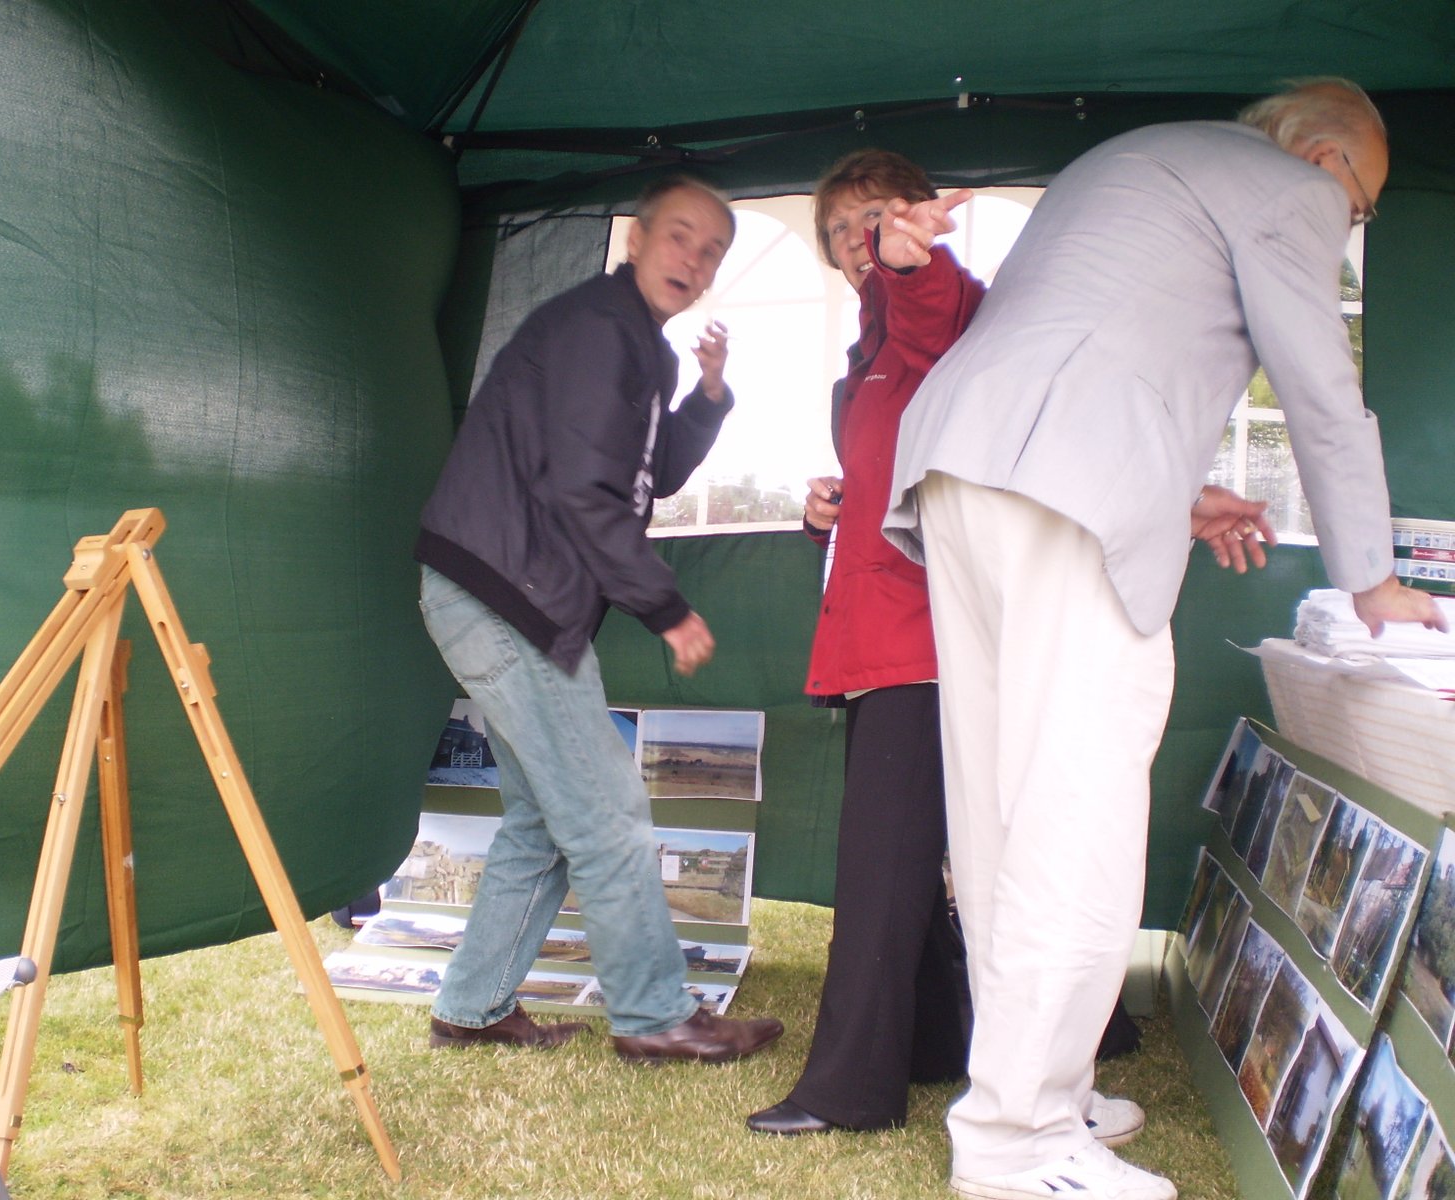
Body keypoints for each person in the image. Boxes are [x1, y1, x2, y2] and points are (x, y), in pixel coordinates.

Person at [882, 80, 1446, 1200]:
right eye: (1364, 206)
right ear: (1326, 157)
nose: (1350, 225)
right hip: (1062, 481)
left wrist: (1176, 491)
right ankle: (1019, 1142)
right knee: (1076, 809)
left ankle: (1039, 1088)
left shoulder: (1139, 156)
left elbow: (1092, 333)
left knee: (1002, 806)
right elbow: (1321, 389)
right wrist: (1372, 578)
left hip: (964, 463)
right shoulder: (1291, 190)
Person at [746, 151, 1142, 1144]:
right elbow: (897, 469)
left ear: (918, 219)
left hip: (931, 640)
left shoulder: (941, 305)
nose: (856, 244)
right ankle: (931, 1044)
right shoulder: (865, 352)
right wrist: (822, 510)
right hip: (883, 634)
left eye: (873, 220)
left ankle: (849, 1089)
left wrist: (908, 262)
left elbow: (931, 312)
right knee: (915, 866)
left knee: (881, 869)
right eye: (840, 231)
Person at [413, 175, 785, 1064]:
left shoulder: (638, 350)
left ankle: (470, 1007)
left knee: (545, 819)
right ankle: (656, 1016)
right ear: (636, 239)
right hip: (509, 596)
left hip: (506, 596)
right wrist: (666, 606)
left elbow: (649, 479)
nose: (693, 260)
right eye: (680, 237)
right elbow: (585, 491)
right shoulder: (599, 331)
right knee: (610, 814)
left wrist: (710, 394)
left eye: (712, 251)